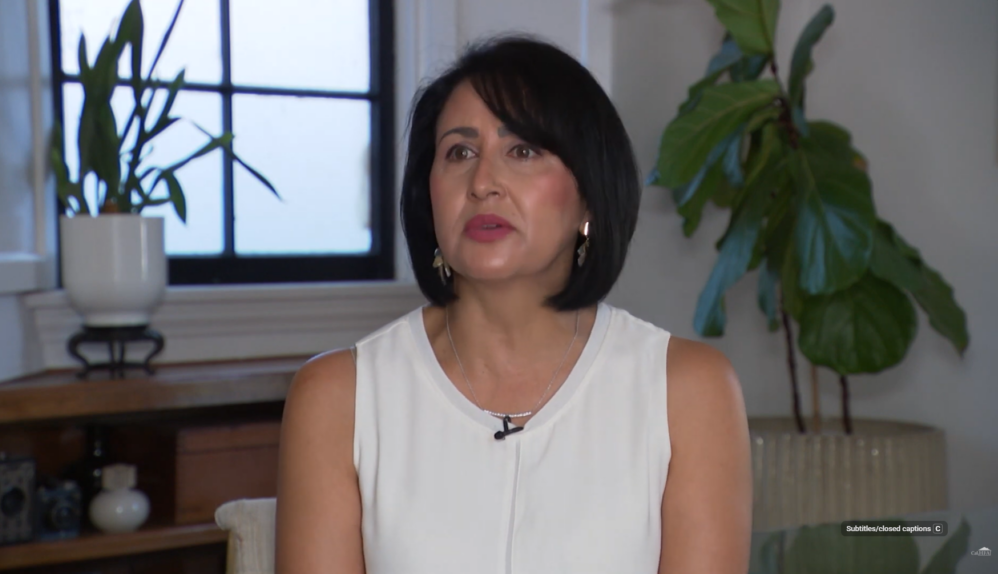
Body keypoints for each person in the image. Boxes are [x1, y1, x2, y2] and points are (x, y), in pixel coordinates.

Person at [275, 35, 752, 574]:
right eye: (459, 151)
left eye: (522, 150)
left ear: (590, 194)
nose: (483, 182)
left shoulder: (689, 391)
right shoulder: (340, 397)